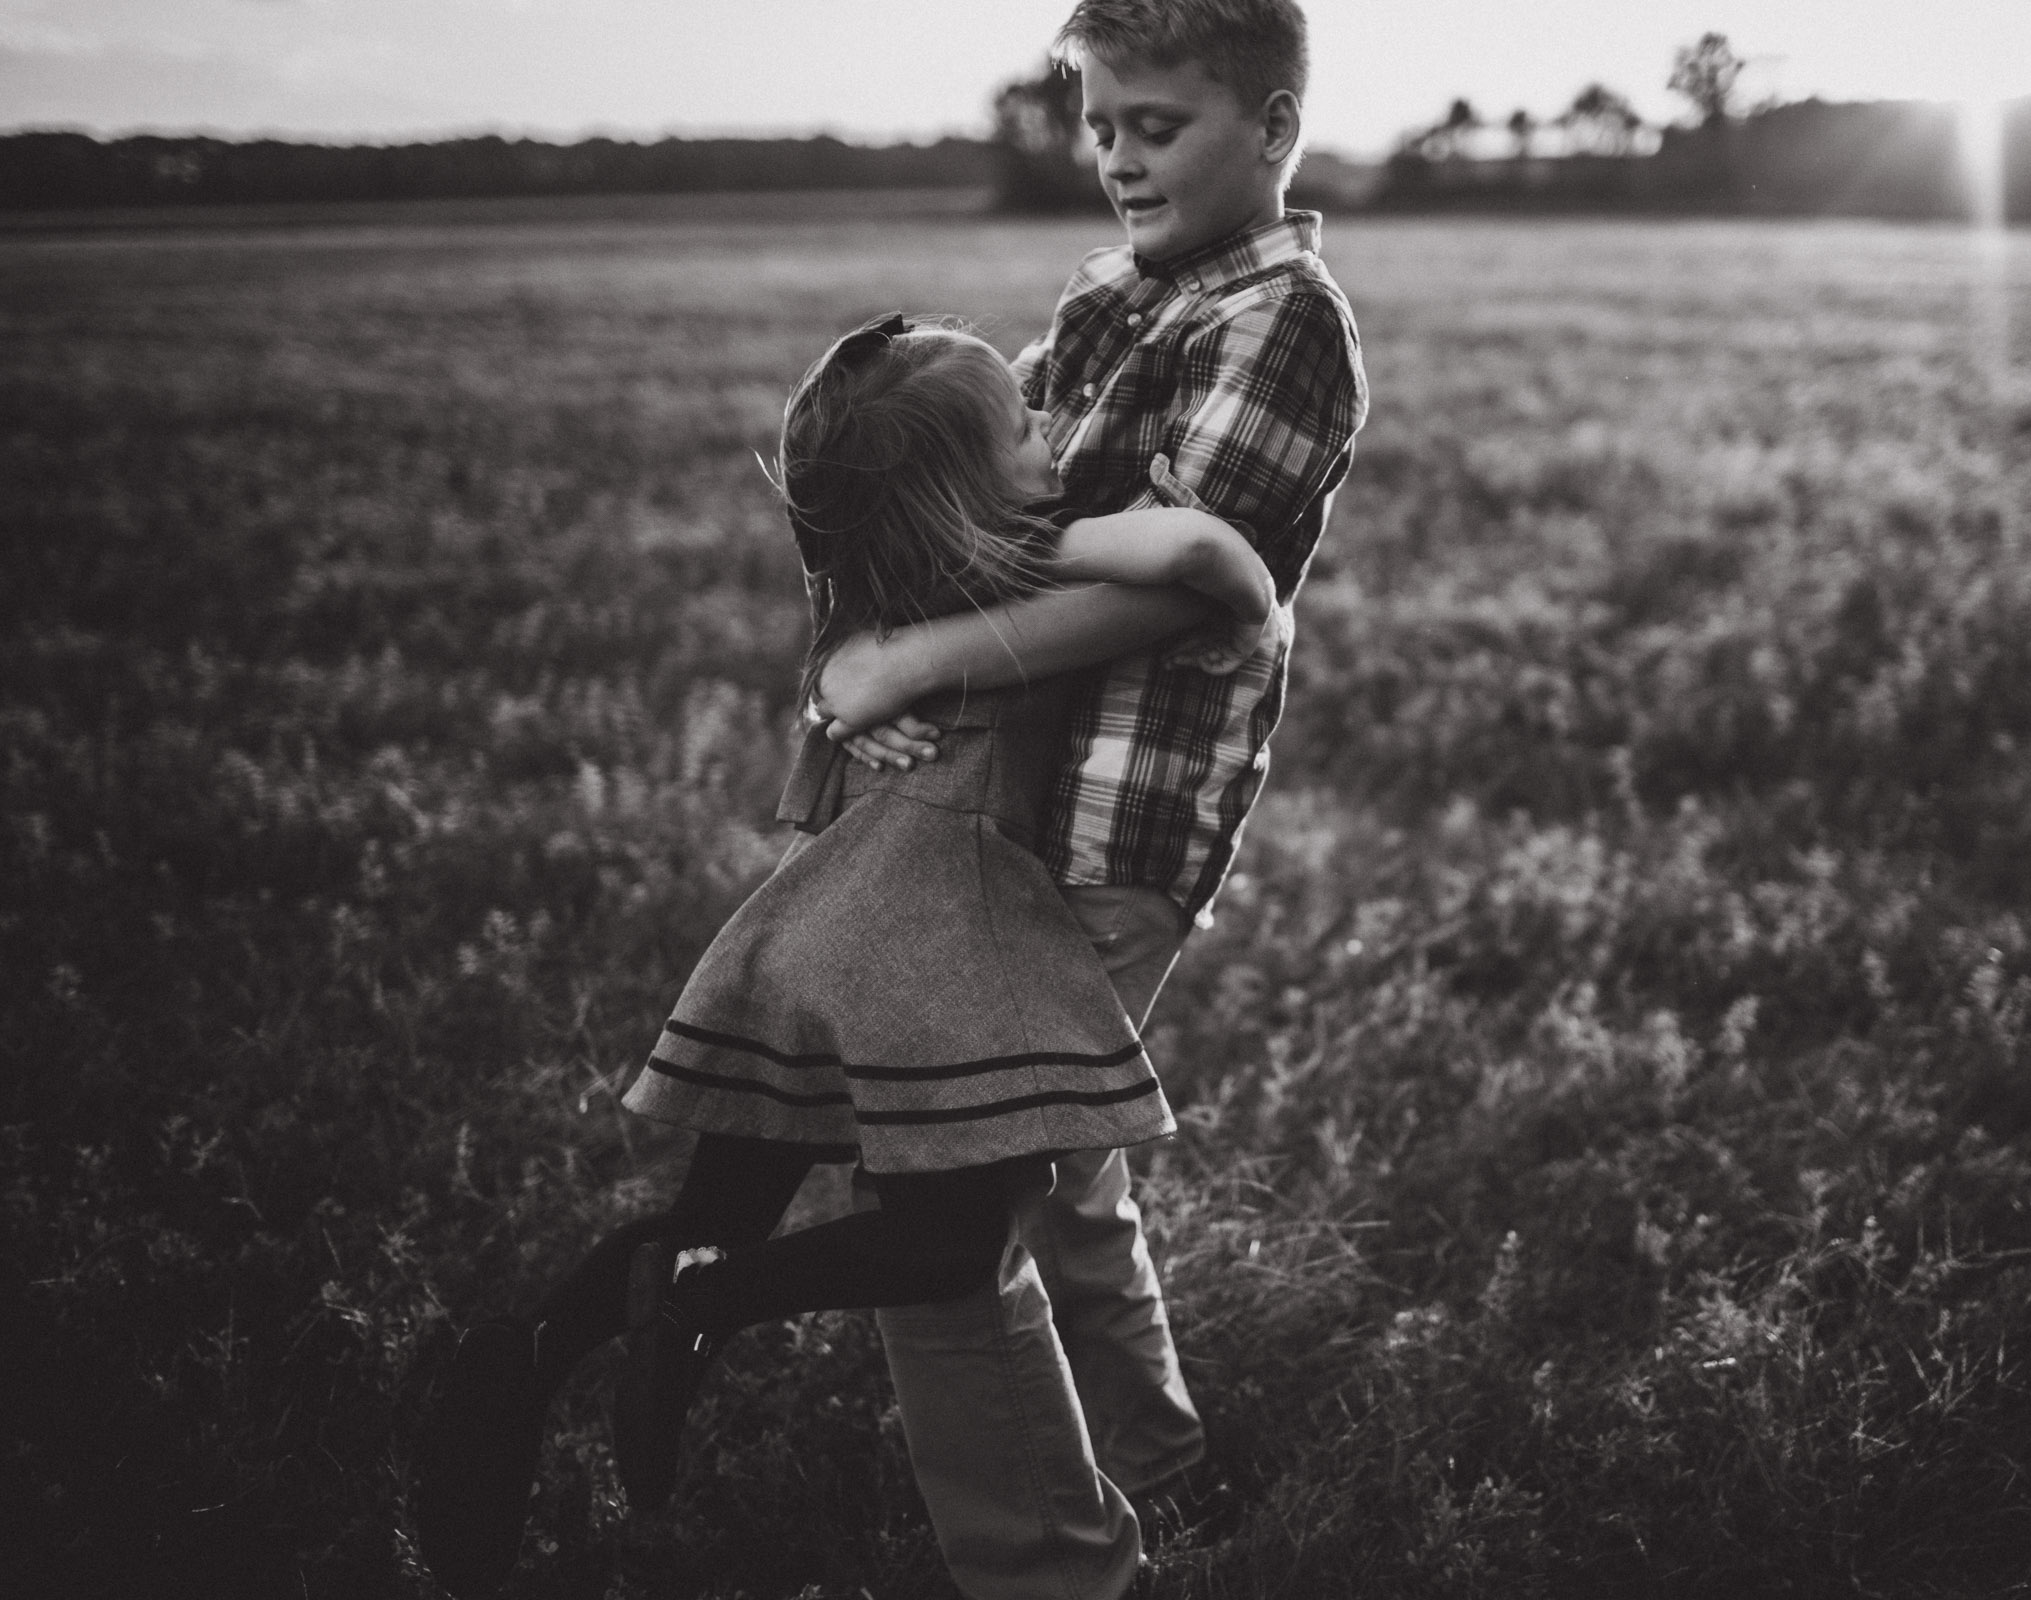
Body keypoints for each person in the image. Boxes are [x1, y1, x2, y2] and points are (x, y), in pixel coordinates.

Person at [407, 312, 1279, 1600]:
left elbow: (849, 684)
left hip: (812, 932)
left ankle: (507, 1373)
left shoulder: (875, 603)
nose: (1052, 432)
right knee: (937, 1251)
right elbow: (1219, 560)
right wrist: (1157, 555)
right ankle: (703, 1302)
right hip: (931, 944)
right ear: (964, 492)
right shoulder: (1029, 566)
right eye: (1026, 425)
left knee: (708, 1215)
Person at [822, 0, 1369, 1591]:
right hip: (1021, 799)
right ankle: (1152, 1461)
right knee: (1060, 1166)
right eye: (1105, 121)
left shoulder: (1283, 316)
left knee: (942, 1192)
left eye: (1162, 125)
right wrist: (873, 641)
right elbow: (997, 511)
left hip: (1128, 816)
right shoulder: (1107, 294)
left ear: (1270, 129)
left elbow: (1193, 589)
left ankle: (1050, 1566)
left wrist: (918, 662)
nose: (1120, 157)